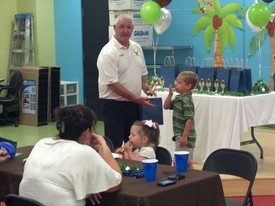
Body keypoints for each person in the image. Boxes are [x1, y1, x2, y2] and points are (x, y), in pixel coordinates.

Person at [19, 105, 122, 206]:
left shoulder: (41, 143)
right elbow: (116, 183)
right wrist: (103, 145)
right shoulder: (83, 152)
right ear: (86, 132)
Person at [97, 14, 154, 150]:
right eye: (121, 27)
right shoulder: (108, 52)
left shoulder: (136, 48)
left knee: (135, 144)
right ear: (114, 28)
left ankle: (133, 170)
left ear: (133, 29)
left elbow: (143, 72)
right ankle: (115, 170)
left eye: (128, 27)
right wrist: (135, 97)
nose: (125, 30)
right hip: (114, 106)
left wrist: (145, 86)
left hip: (133, 105)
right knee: (115, 144)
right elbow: (112, 84)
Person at [163, 71, 198, 169]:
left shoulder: (186, 100)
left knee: (178, 163)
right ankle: (192, 181)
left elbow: (190, 119)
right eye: (176, 82)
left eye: (179, 83)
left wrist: (184, 136)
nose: (176, 85)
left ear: (188, 86)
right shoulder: (179, 98)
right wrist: (170, 95)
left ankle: (184, 180)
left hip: (184, 136)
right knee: (187, 162)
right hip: (180, 135)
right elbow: (166, 106)